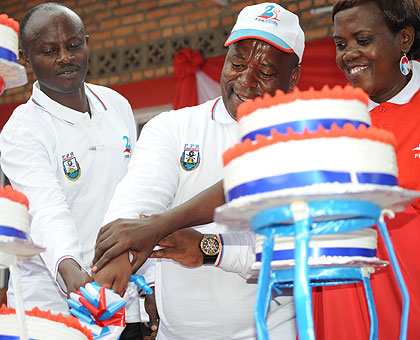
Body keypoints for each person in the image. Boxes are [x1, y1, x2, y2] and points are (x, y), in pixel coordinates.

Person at [92, 3, 304, 339]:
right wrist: (120, 254)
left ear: (292, 77)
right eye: (237, 62)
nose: (246, 81)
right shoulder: (174, 127)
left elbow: (293, 250)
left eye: (265, 71)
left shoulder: (304, 144)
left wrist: (209, 248)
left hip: (268, 331)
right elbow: (139, 195)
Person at [0, 3, 146, 339]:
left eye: (73, 45)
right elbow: (45, 207)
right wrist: (70, 269)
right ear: (26, 58)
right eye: (49, 51)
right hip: (55, 308)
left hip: (124, 299)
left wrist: (150, 283)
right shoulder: (23, 129)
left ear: (87, 42)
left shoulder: (117, 105)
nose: (65, 57)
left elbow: (136, 198)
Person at [311, 0, 420, 339]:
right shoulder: (333, 121)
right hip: (341, 314)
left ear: (404, 39)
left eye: (362, 40)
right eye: (341, 45)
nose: (348, 54)